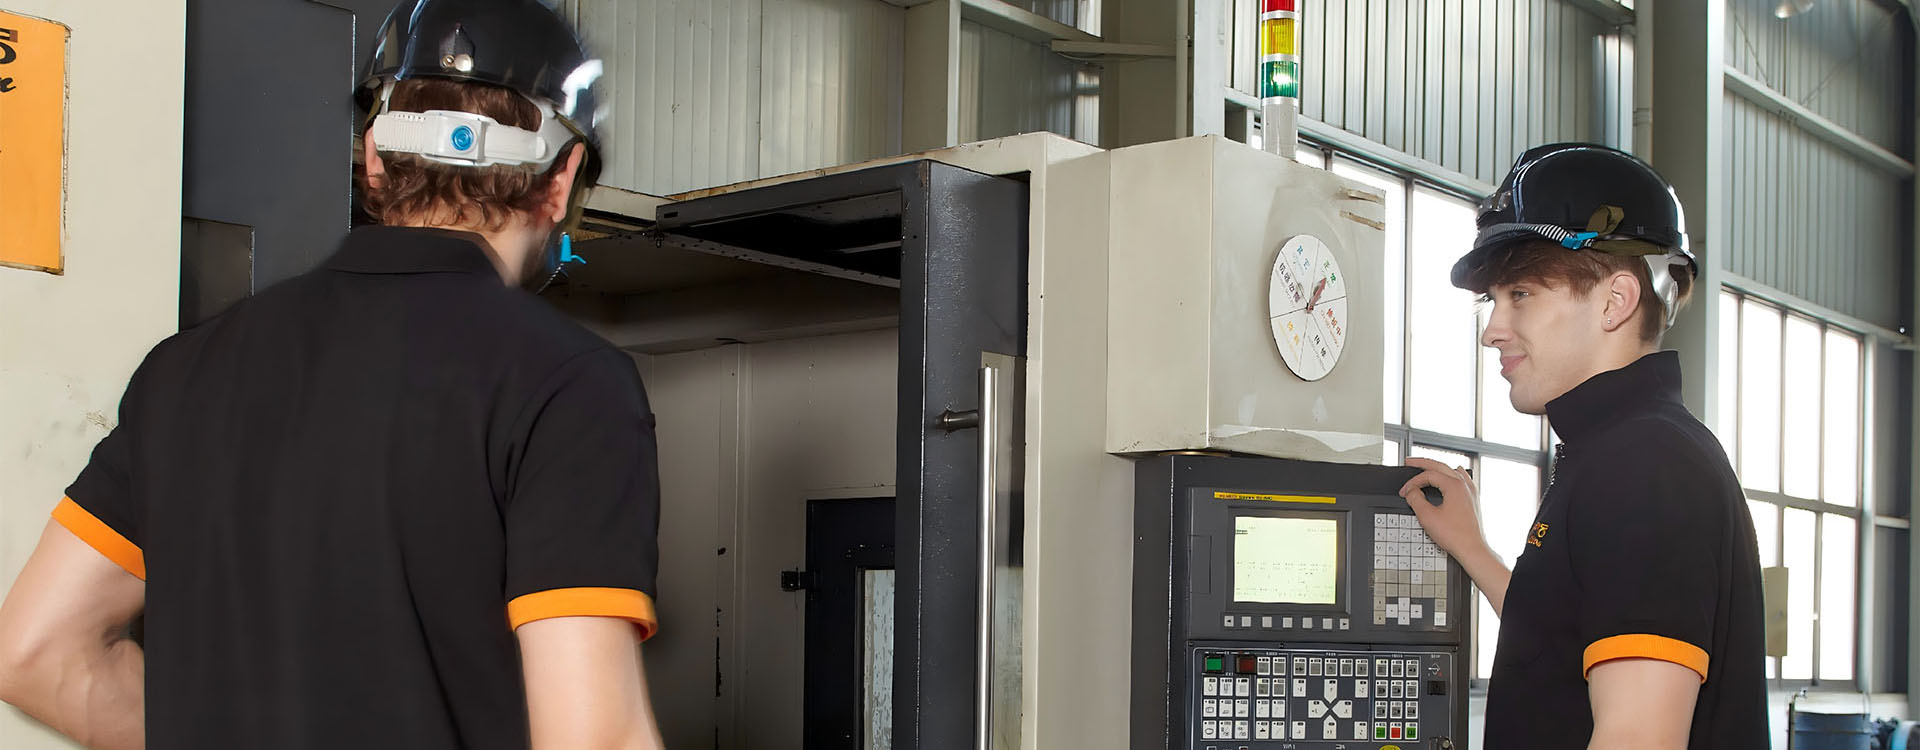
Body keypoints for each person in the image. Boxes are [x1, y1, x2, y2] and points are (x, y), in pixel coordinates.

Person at [0, 1, 666, 748]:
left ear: (374, 158)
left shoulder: (181, 372)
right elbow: (594, 736)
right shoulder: (567, 384)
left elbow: (36, 651)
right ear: (562, 180)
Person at [1398, 143, 1768, 749]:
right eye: (1493, 301)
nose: (1493, 331)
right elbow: (1566, 638)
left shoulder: (1644, 466)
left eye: (1520, 295)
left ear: (1615, 302)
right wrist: (1473, 550)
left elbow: (1637, 738)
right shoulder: (1620, 451)